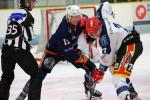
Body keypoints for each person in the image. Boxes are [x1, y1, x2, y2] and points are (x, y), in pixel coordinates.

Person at [16, 5, 103, 100]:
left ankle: (89, 88)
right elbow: (68, 53)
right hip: (53, 52)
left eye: (78, 16)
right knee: (39, 75)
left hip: (70, 49)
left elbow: (89, 25)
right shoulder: (63, 30)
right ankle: (23, 93)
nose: (76, 19)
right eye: (74, 17)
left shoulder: (82, 20)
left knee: (91, 67)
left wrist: (90, 33)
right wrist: (83, 59)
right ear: (69, 17)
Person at [85, 12, 143, 100]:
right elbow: (105, 5)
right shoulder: (101, 17)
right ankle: (131, 93)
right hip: (125, 45)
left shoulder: (105, 38)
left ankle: (125, 97)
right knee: (114, 68)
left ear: (100, 25)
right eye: (93, 34)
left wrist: (100, 72)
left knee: (117, 78)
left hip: (131, 46)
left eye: (97, 31)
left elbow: (108, 59)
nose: (96, 34)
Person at [0, 0, 44, 100]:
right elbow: (29, 37)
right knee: (37, 75)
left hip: (6, 49)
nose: (33, 4)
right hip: (19, 51)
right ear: (26, 3)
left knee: (7, 77)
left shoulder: (11, 14)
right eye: (32, 2)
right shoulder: (28, 16)